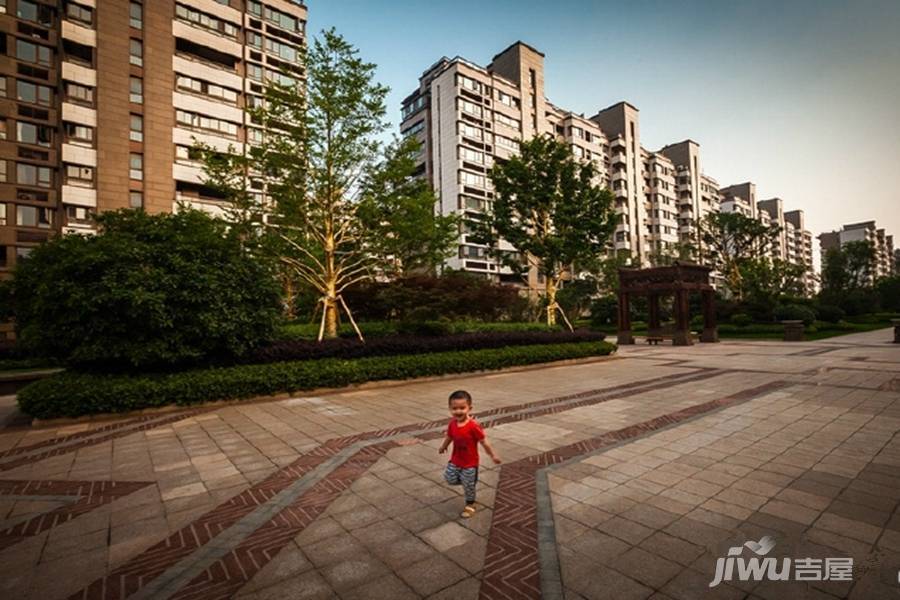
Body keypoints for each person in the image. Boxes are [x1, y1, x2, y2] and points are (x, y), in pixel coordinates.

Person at [438, 389, 501, 518]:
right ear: (450, 409)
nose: (458, 411)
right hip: (455, 460)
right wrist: (443, 446)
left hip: (470, 463)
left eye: (462, 408)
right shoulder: (452, 424)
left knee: (468, 487)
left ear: (469, 408)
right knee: (449, 478)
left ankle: (470, 504)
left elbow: (484, 442)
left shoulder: (473, 426)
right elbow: (449, 437)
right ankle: (469, 481)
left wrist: (493, 455)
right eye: (454, 408)